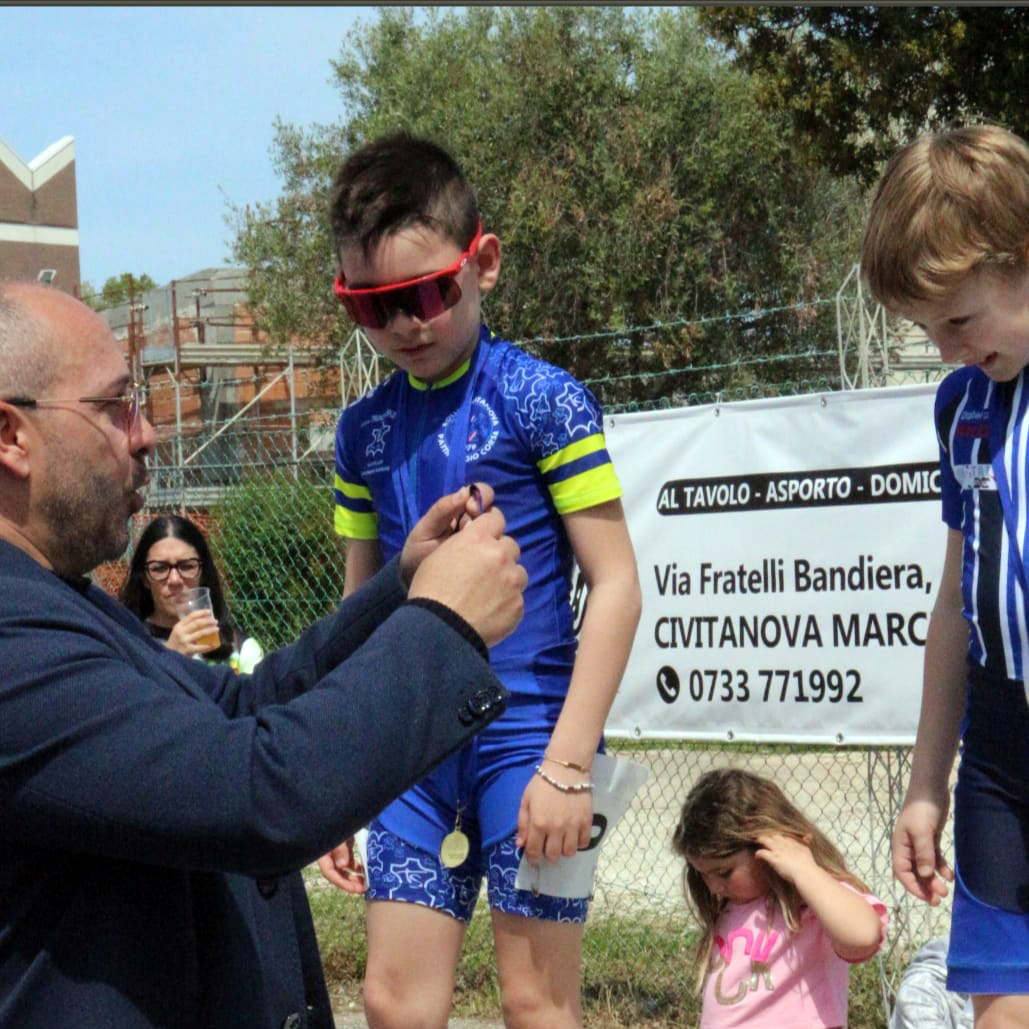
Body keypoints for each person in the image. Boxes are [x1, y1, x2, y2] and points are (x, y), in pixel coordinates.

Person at [0, 279, 528, 1029]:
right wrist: (442, 626)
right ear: (10, 434)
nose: (144, 433)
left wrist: (403, 585)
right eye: (115, 405)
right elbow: (258, 794)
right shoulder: (12, 639)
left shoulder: (59, 598)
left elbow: (241, 706)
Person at [322, 132, 642, 1029]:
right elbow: (359, 606)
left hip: (531, 739)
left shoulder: (545, 400)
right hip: (407, 744)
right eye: (370, 308)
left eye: (428, 291)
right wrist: (339, 765)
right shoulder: (361, 433)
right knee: (391, 1001)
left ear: (483, 262)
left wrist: (571, 766)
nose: (405, 324)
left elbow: (615, 586)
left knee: (536, 1002)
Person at [861, 123, 1029, 1027]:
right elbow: (955, 608)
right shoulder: (961, 406)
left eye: (958, 321)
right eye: (926, 331)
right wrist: (927, 783)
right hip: (1002, 762)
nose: (945, 349)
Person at [671, 768, 887, 1029]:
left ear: (766, 843)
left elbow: (864, 936)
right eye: (704, 874)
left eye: (724, 872)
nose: (715, 887)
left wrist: (805, 871)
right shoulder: (730, 906)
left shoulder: (808, 896)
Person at [121, 512, 265, 673]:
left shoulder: (240, 650)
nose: (175, 580)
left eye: (187, 566)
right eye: (160, 568)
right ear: (145, 578)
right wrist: (169, 658)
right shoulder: (125, 645)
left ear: (203, 572)